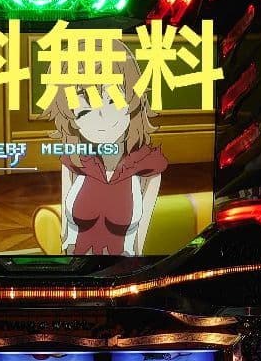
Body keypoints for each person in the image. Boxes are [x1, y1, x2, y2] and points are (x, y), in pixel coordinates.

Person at [42, 39, 167, 256]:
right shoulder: (73, 160)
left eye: (113, 101)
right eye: (84, 112)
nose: (102, 119)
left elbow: (139, 246)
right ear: (70, 120)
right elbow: (65, 233)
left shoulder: (148, 169)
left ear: (132, 99)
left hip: (123, 269)